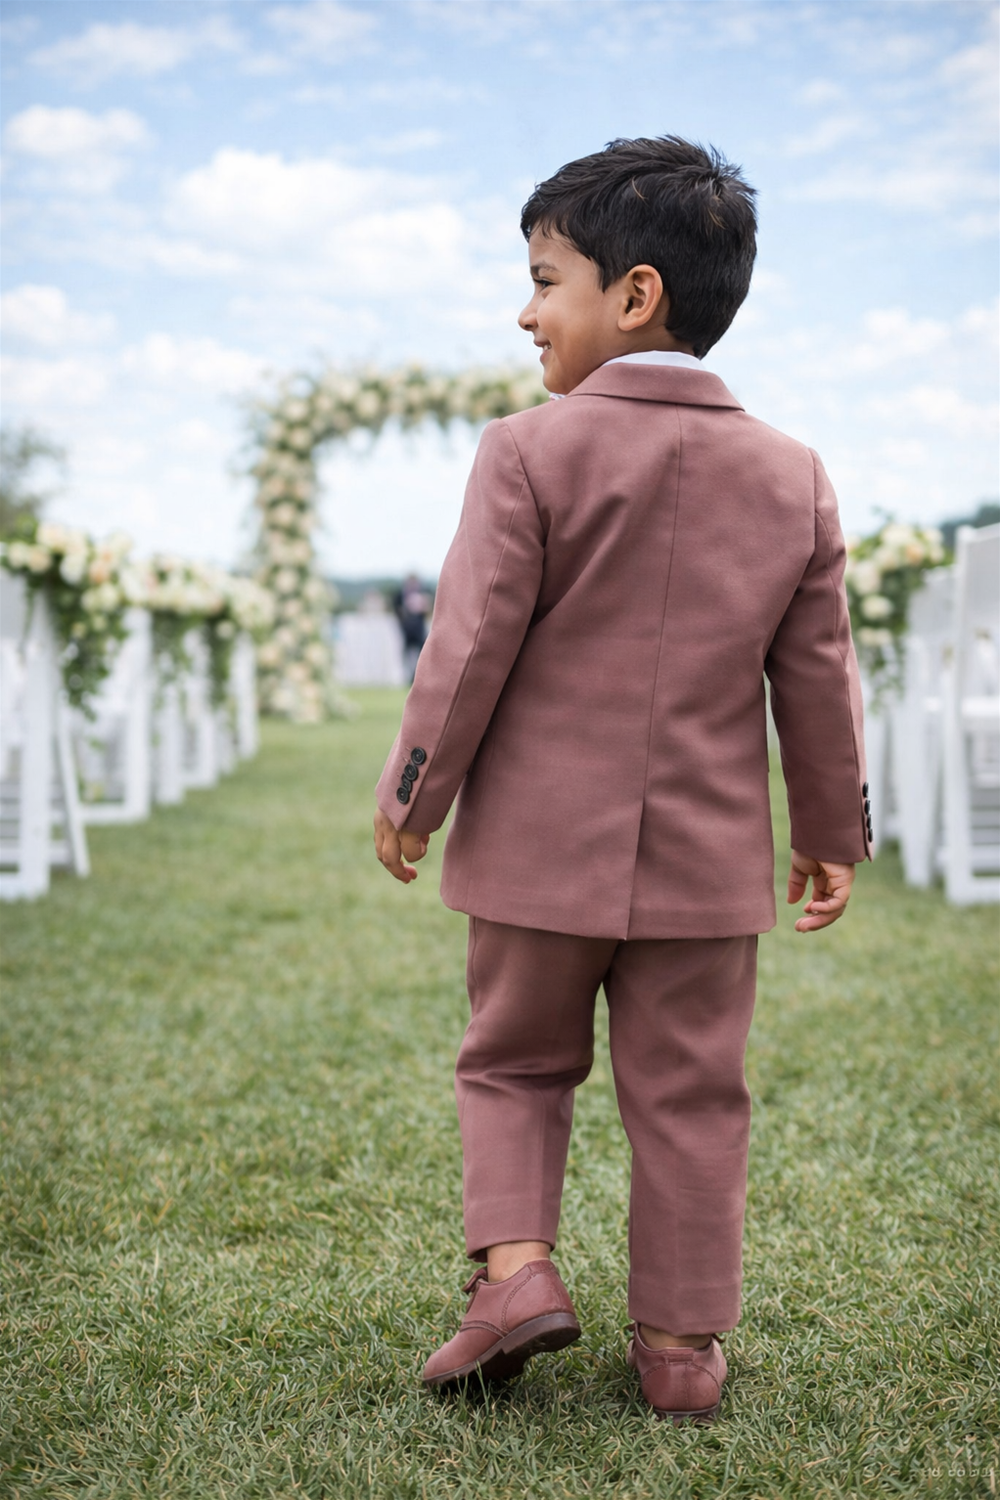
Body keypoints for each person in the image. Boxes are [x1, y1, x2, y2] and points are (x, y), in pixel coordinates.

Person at [372, 135, 870, 1424]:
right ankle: (679, 1350)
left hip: (536, 856)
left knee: (514, 1064)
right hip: (705, 874)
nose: (525, 310)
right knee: (694, 1094)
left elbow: (469, 646)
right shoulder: (792, 472)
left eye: (544, 281)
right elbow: (816, 678)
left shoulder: (527, 452)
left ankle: (518, 1276)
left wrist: (412, 793)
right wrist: (830, 830)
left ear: (632, 295)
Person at [392, 572, 433, 684]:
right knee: (406, 654)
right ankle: (409, 676)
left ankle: (417, 676)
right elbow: (396, 609)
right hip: (406, 629)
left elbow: (428, 611)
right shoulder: (401, 594)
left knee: (421, 653)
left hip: (419, 630)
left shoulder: (423, 593)